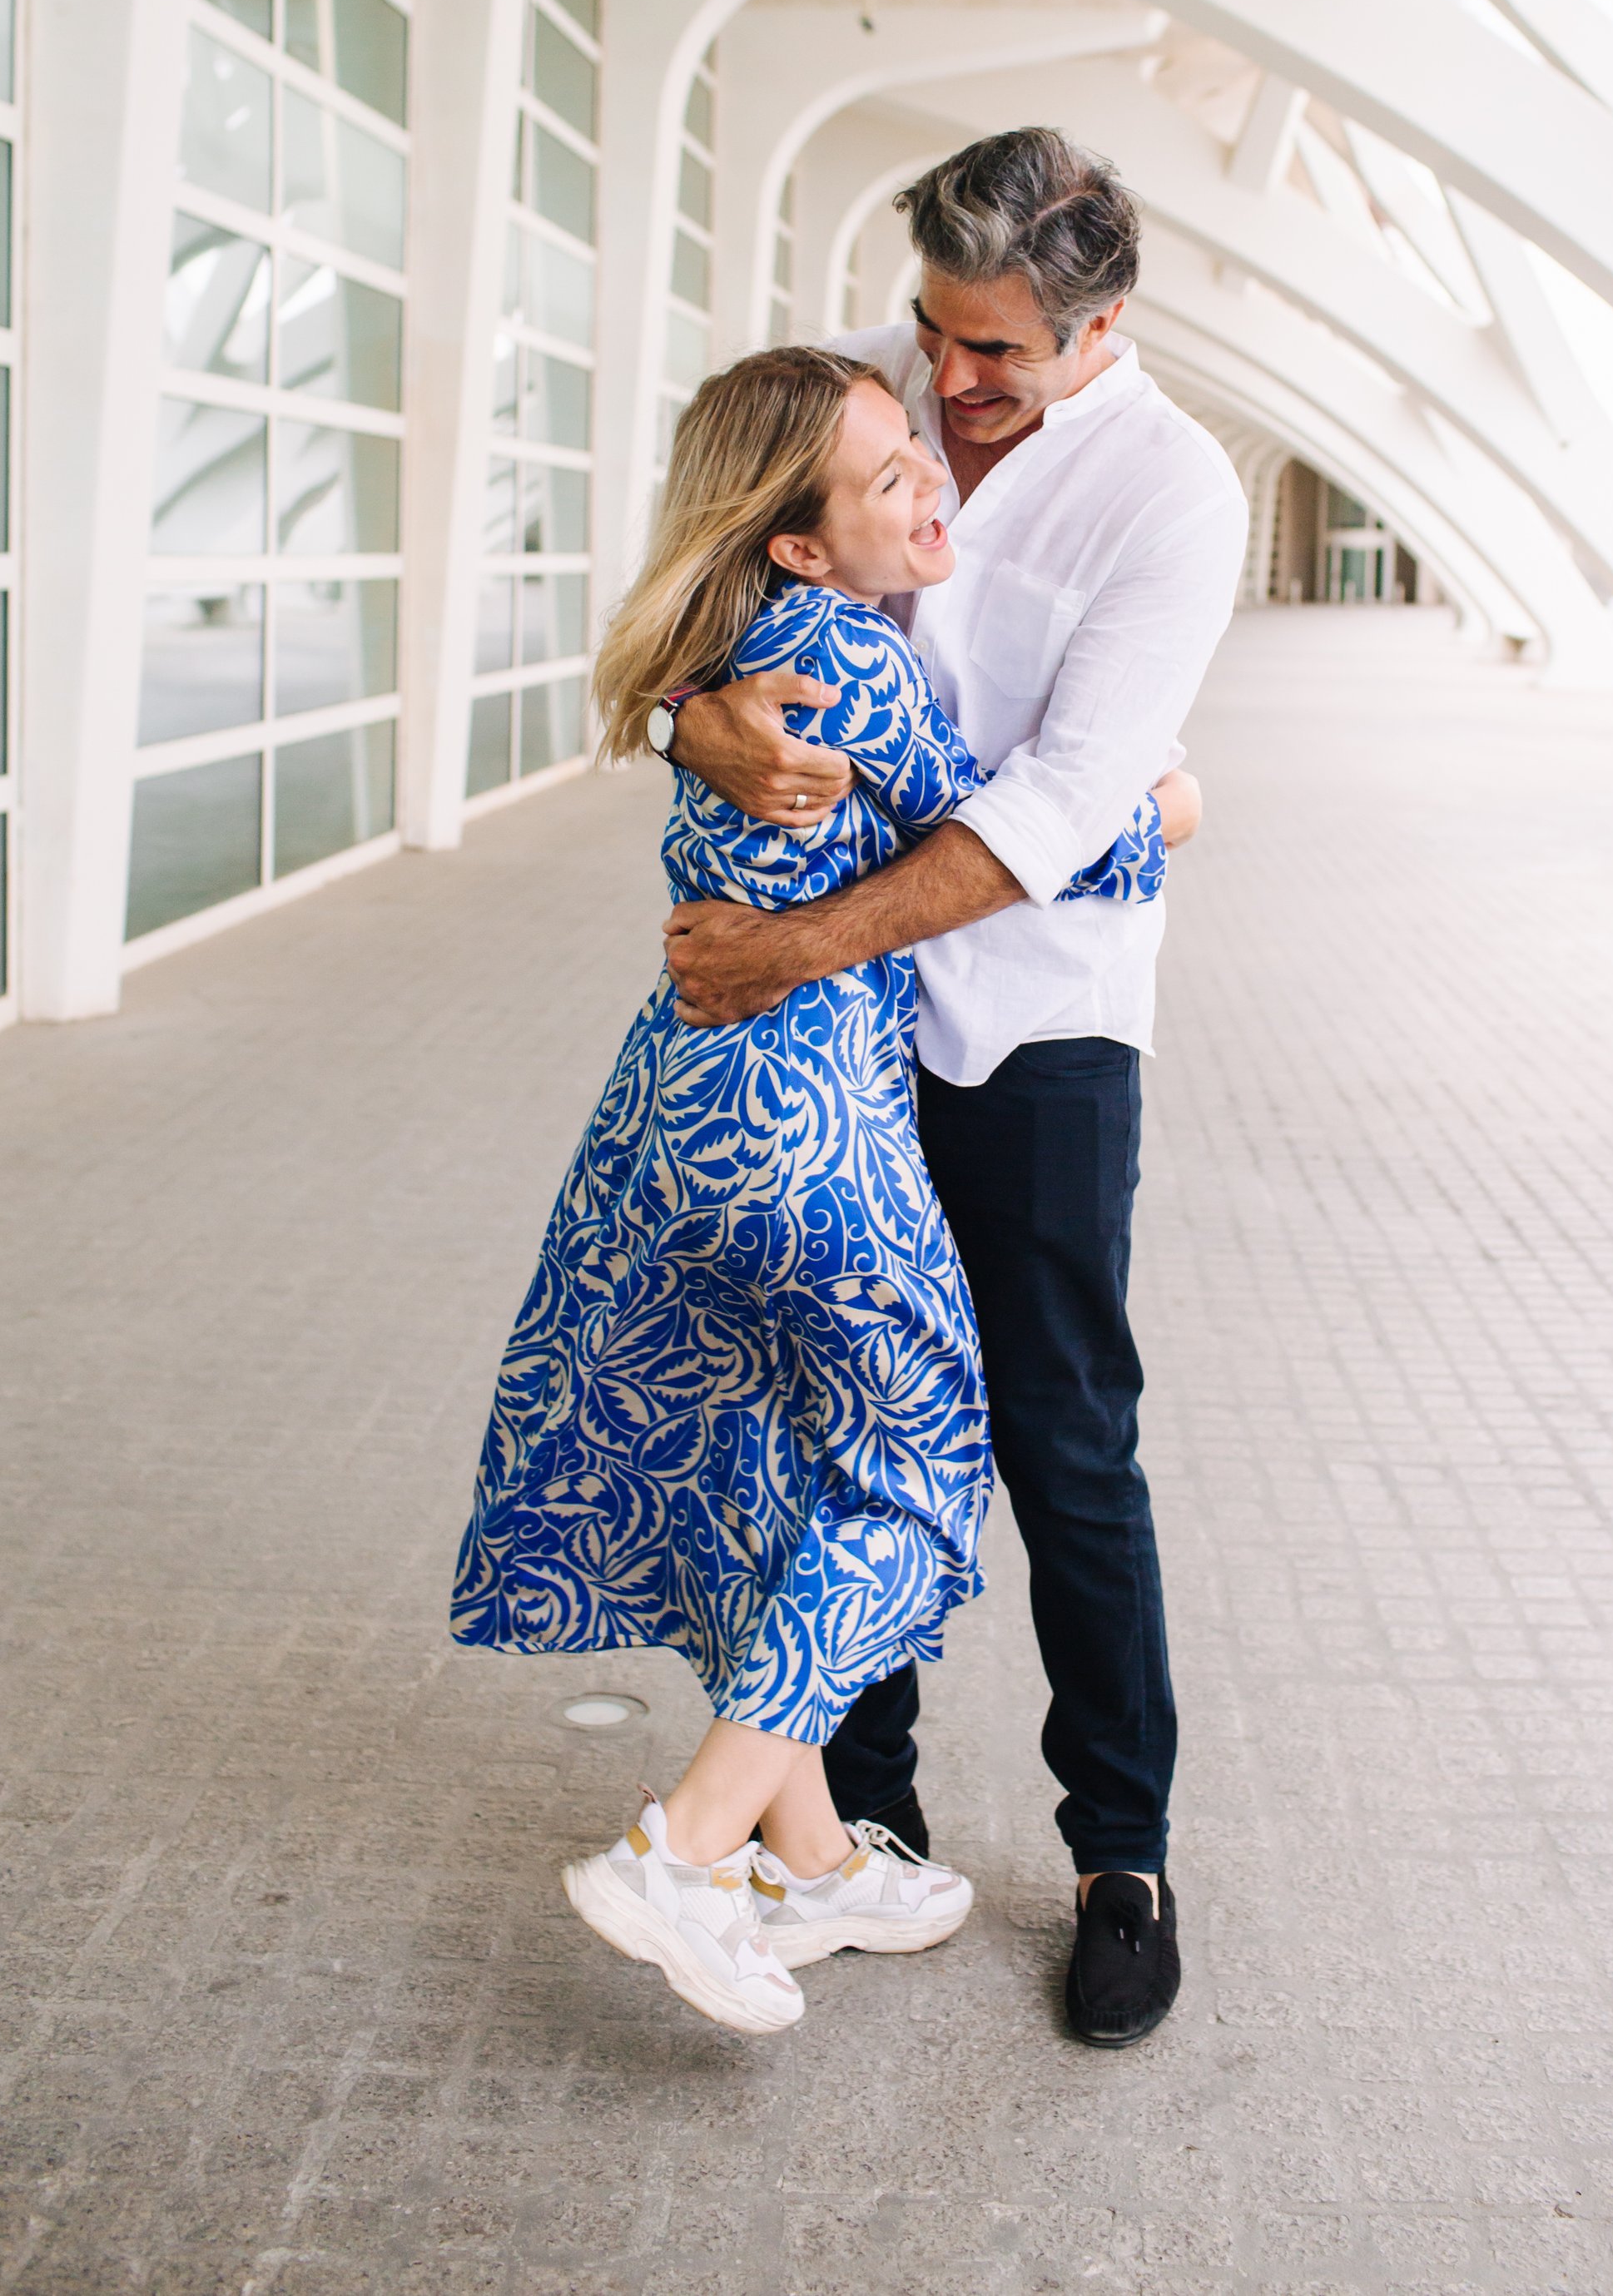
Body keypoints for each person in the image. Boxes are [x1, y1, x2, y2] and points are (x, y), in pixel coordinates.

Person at [451, 343, 1194, 2037]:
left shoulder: (735, 632)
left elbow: (684, 671)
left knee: (784, 1467)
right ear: (798, 537)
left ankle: (817, 1858)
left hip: (680, 1113)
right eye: (887, 473)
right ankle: (684, 1846)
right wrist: (1167, 801)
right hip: (811, 1133)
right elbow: (1026, 833)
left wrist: (679, 707)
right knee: (918, 1475)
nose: (926, 468)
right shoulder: (850, 656)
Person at [661, 127, 1249, 2046]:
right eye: (934, 328)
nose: (949, 377)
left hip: (1040, 1022)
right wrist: (694, 717)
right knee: (833, 1417)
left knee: (1063, 1437)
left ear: (1097, 325)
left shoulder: (1171, 493)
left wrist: (786, 942)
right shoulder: (860, 387)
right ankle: (857, 1826)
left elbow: (1069, 804)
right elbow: (696, 606)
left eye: (993, 349)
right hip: (835, 1039)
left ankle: (1120, 1856)